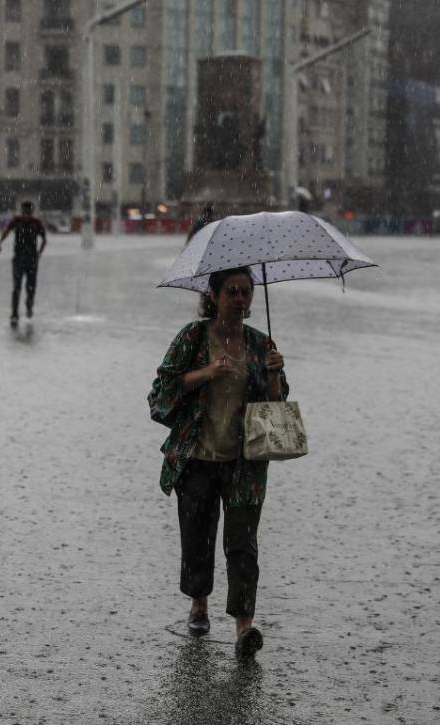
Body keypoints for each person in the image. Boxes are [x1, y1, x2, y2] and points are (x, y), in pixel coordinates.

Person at [147, 266, 287, 660]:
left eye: (246, 292)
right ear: (214, 295)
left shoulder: (261, 344)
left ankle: (245, 624)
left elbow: (275, 410)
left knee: (243, 543)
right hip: (197, 457)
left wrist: (274, 375)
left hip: (244, 462)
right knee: (197, 534)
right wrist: (209, 371)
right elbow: (162, 390)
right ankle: (199, 603)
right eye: (232, 292)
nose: (240, 300)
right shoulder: (193, 337)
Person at [0, 201, 47, 327]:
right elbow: (6, 232)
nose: (26, 215)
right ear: (21, 212)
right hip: (18, 259)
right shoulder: (16, 221)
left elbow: (44, 240)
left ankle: (29, 306)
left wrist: (39, 255)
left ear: (32, 212)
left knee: (31, 287)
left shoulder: (36, 223)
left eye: (28, 213)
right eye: (24, 212)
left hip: (32, 260)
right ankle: (14, 313)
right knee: (16, 288)